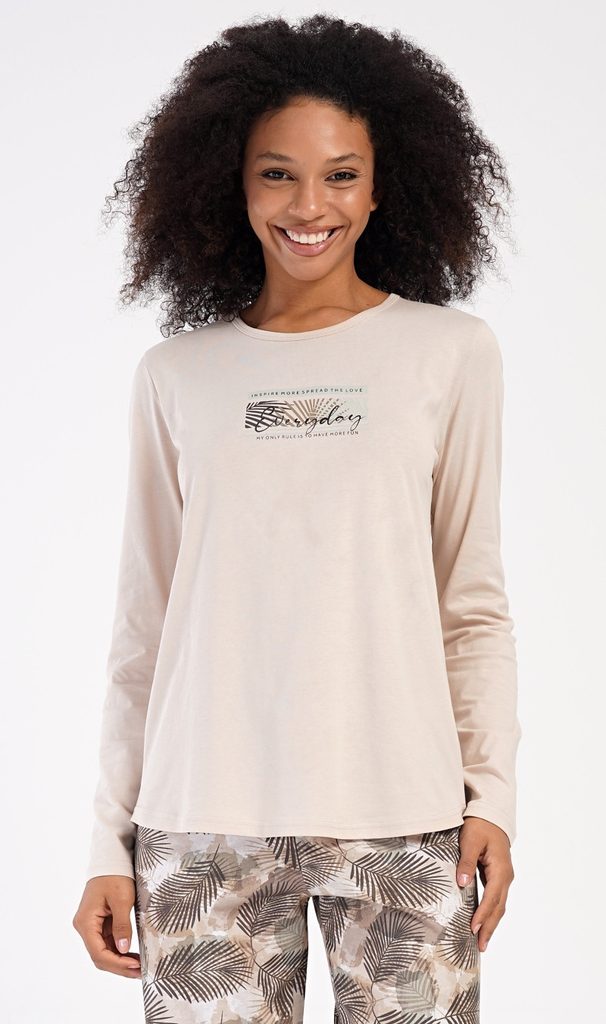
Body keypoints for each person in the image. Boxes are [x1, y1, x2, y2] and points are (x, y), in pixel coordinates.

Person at [72, 13, 522, 1023]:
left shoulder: (449, 354)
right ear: (228, 183)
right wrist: (109, 839)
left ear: (384, 183)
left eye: (341, 175)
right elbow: (145, 626)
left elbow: (472, 603)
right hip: (202, 822)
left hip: (404, 816)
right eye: (277, 174)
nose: (310, 206)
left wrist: (491, 795)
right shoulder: (177, 374)